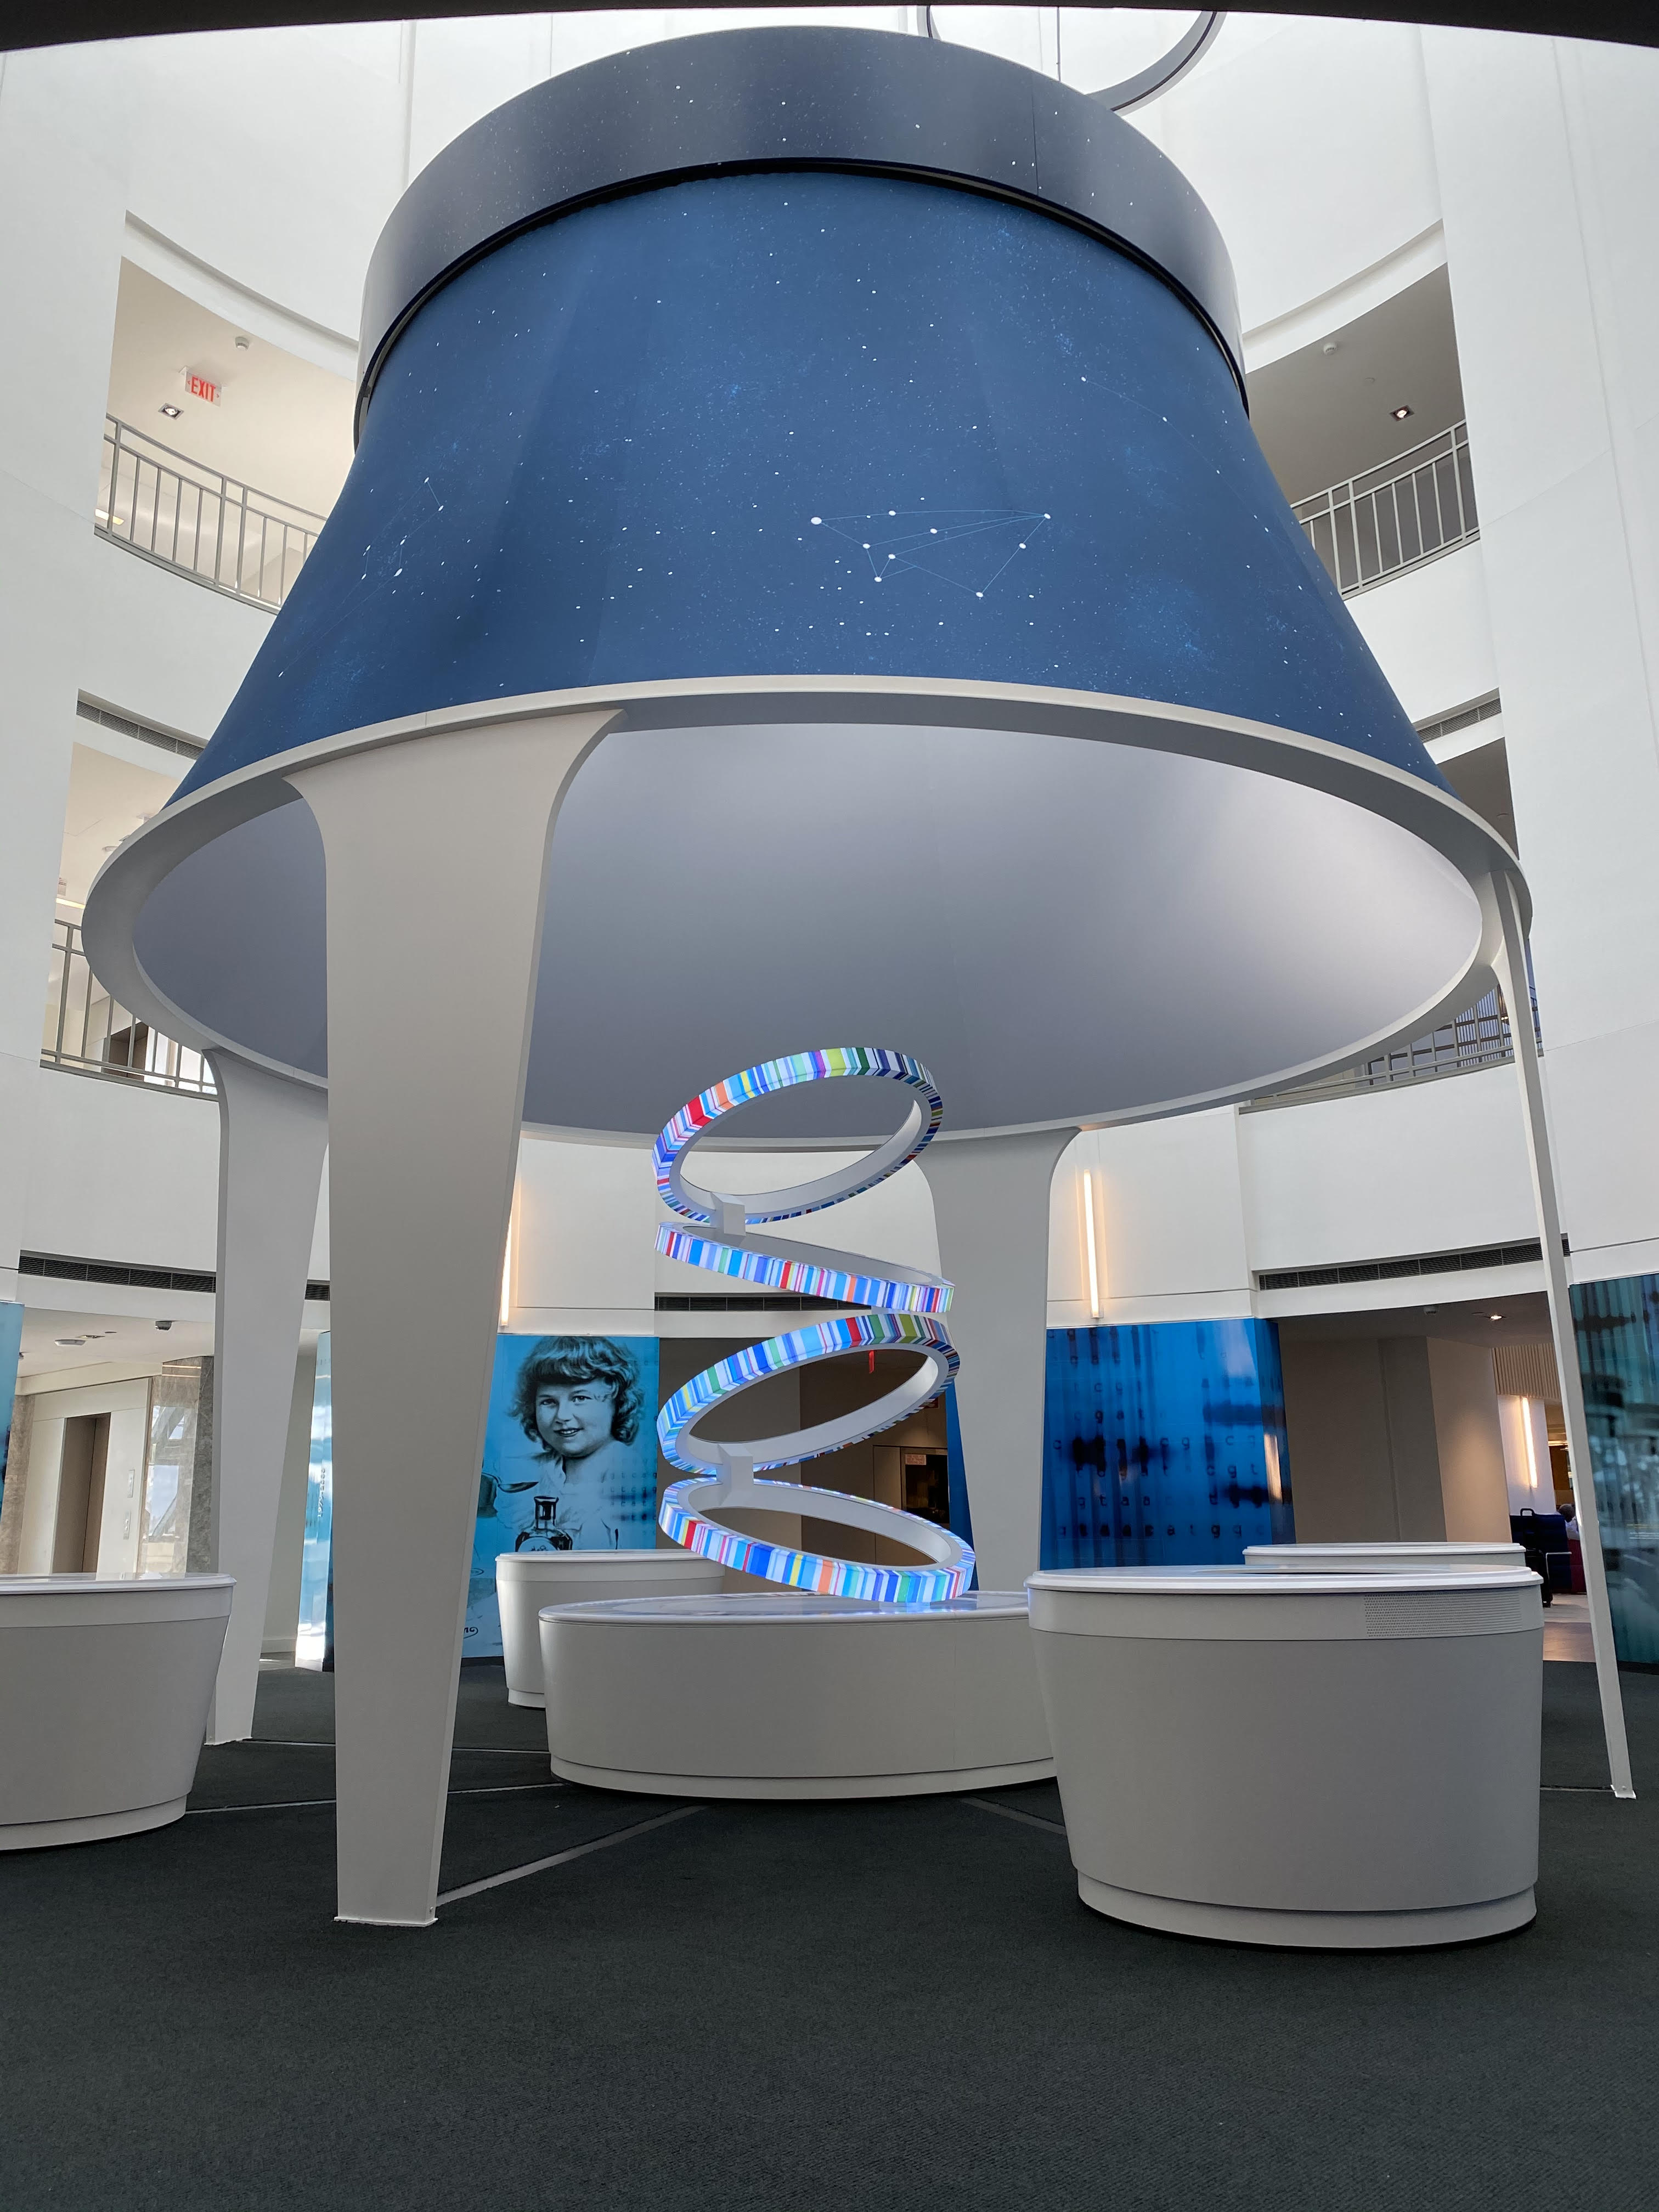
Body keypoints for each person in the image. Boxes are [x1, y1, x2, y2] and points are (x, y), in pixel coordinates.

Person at [508, 1335, 645, 1551]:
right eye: (549, 1402)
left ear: (617, 1402)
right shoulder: (530, 1473)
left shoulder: (630, 1472)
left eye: (580, 1398)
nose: (562, 1416)